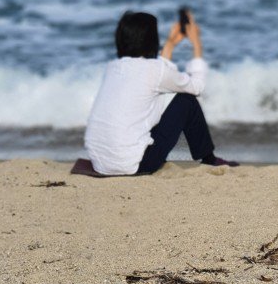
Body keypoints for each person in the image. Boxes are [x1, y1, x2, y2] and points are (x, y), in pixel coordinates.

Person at [83, 10, 237, 176]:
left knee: (154, 98)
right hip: (134, 164)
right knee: (186, 100)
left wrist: (170, 44)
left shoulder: (113, 68)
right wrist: (196, 44)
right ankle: (209, 159)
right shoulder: (154, 71)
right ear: (151, 40)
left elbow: (158, 75)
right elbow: (197, 86)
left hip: (101, 163)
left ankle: (207, 157)